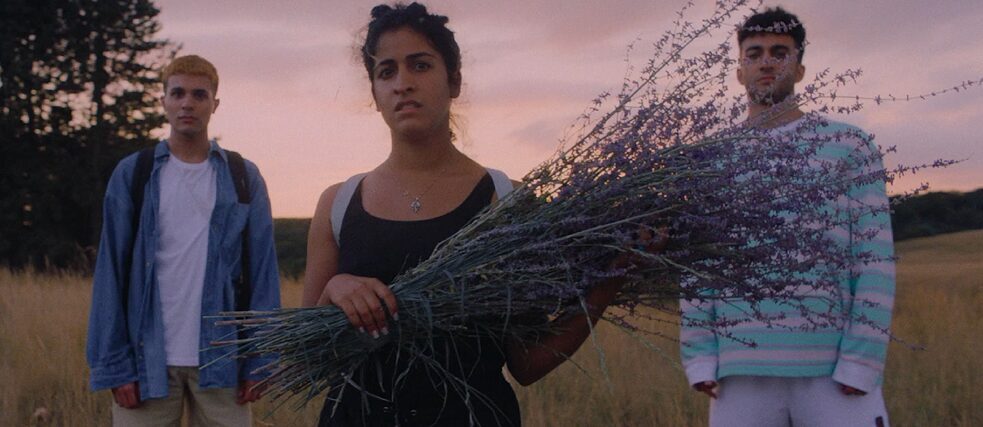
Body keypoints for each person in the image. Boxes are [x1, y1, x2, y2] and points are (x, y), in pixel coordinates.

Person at [301, 3, 654, 426]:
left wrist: (612, 278)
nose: (403, 84)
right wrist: (335, 289)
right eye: (386, 72)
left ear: (454, 81)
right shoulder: (337, 204)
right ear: (374, 94)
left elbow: (527, 362)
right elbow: (309, 358)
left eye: (420, 65)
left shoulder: (506, 202)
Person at [679, 7, 895, 427]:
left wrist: (861, 359)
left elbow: (874, 260)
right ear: (739, 70)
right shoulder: (709, 158)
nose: (766, 61)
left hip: (834, 371)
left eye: (780, 52)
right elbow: (698, 264)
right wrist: (700, 355)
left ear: (799, 68)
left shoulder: (850, 145)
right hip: (740, 368)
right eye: (754, 52)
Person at [86, 55, 281, 426]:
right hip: (147, 362)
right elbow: (110, 272)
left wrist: (262, 359)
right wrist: (115, 366)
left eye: (198, 94)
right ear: (163, 101)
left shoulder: (242, 176)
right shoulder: (134, 173)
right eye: (177, 93)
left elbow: (263, 273)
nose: (187, 103)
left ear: (214, 104)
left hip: (223, 359)